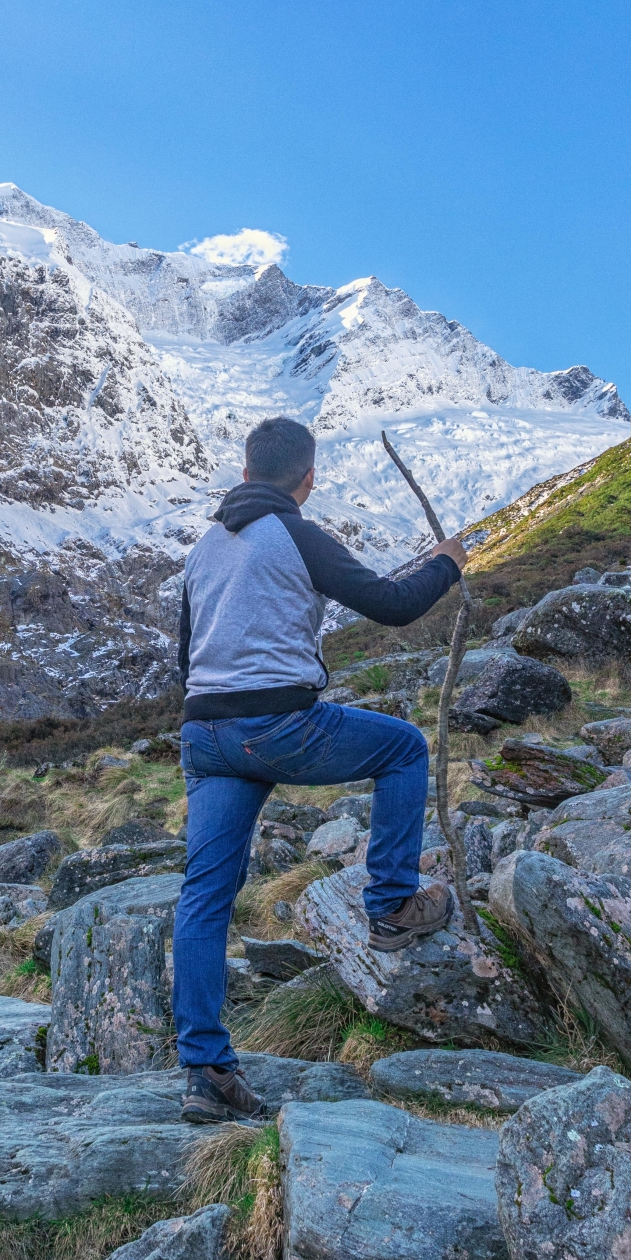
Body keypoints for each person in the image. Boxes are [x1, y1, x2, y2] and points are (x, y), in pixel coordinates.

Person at [174, 415, 466, 1125]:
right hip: (278, 724)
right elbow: (392, 607)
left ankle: (206, 1071)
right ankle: (392, 905)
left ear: (244, 472)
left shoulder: (202, 549)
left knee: (205, 896)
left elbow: (187, 655)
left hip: (203, 735)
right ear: (307, 479)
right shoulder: (295, 532)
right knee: (401, 748)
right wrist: (446, 563)